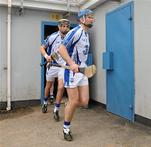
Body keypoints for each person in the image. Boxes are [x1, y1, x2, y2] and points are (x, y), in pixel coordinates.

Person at [58, 9, 94, 141]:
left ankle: (69, 105)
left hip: (83, 71)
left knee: (84, 101)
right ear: (82, 18)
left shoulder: (86, 33)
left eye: (92, 17)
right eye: (90, 17)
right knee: (74, 101)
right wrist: (71, 63)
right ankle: (66, 128)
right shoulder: (75, 32)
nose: (92, 19)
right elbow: (61, 48)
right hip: (72, 72)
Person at [40, 19, 70, 122]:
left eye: (67, 26)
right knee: (48, 85)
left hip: (63, 66)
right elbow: (42, 47)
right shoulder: (52, 37)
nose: (65, 28)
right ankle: (45, 103)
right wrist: (46, 56)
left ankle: (56, 109)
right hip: (52, 65)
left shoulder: (70, 37)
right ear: (59, 26)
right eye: (63, 26)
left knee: (61, 87)